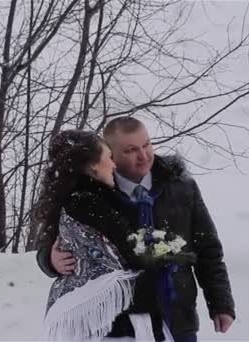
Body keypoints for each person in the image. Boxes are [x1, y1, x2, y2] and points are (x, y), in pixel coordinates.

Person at [37, 117, 235, 342]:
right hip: (123, 324)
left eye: (147, 145)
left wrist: (221, 303)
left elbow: (208, 248)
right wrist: (50, 260)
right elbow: (52, 243)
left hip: (178, 315)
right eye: (131, 150)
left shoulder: (182, 187)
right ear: (111, 153)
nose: (143, 156)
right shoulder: (93, 195)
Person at [35, 130, 181, 341]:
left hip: (94, 318)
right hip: (113, 321)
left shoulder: (85, 196)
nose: (114, 164)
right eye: (108, 158)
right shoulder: (89, 201)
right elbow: (135, 252)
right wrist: (49, 259)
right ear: (92, 166)